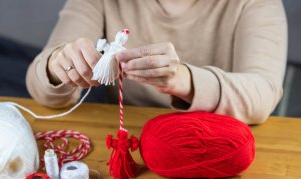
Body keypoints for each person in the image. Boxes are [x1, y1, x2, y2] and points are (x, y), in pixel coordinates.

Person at [26, 0, 287, 124]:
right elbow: (41, 88)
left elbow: (263, 93)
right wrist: (57, 66)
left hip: (214, 142)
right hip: (127, 137)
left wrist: (184, 80)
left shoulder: (256, 4)